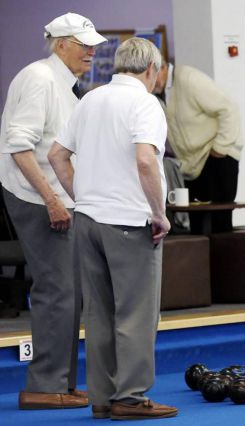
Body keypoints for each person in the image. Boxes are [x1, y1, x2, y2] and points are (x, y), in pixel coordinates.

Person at [48, 37, 177, 420]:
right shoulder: (145, 103)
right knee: (136, 314)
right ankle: (132, 398)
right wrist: (159, 213)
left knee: (100, 314)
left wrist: (83, 195)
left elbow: (57, 156)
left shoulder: (90, 98)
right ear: (152, 70)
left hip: (87, 219)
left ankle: (103, 398)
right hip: (128, 221)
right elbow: (145, 162)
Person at [0, 12, 106, 410]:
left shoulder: (65, 83)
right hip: (35, 197)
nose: (92, 51)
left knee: (70, 292)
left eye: (93, 44)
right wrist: (52, 199)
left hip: (55, 196)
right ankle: (44, 385)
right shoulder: (39, 79)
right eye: (85, 45)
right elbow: (18, 145)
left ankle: (59, 381)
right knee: (57, 291)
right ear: (61, 44)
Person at [152, 60, 243, 233]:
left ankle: (224, 261)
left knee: (219, 225)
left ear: (163, 67)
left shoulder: (188, 78)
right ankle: (201, 261)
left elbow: (228, 109)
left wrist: (220, 148)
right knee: (196, 226)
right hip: (192, 165)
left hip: (217, 156)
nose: (150, 81)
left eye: (152, 75)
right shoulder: (158, 93)